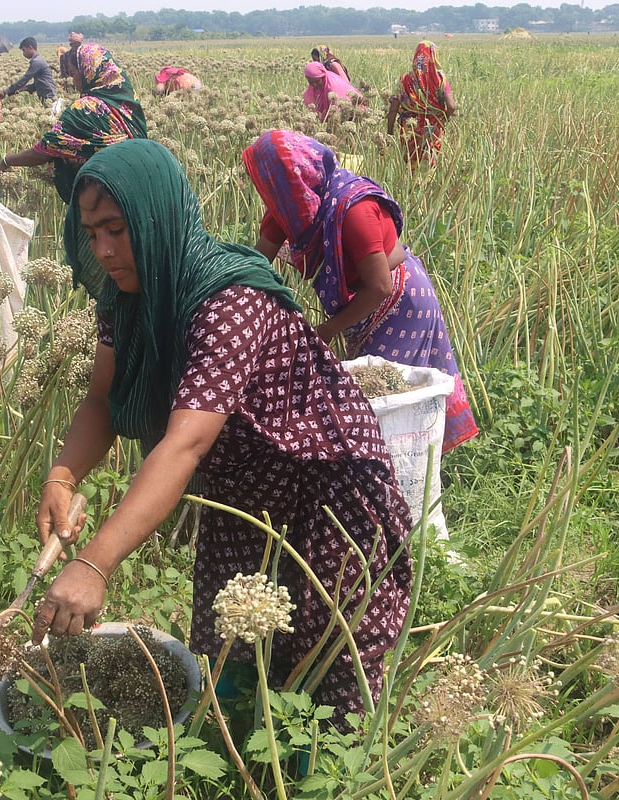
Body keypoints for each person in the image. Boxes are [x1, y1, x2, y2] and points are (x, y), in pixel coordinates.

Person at [31, 139, 413, 728]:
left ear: (157, 219)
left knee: (326, 669)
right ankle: (237, 766)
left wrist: (95, 563)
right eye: (92, 233)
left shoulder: (229, 300)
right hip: (244, 485)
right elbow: (101, 402)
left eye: (117, 230)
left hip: (323, 487)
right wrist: (61, 475)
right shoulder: (128, 298)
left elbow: (185, 442)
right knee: (236, 651)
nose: (103, 250)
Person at [242, 129, 478, 453]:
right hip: (365, 307)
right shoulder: (293, 207)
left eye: (270, 185)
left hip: (401, 306)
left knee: (384, 401)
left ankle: (402, 476)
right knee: (371, 405)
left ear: (290, 179)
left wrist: (324, 331)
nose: (267, 194)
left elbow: (380, 286)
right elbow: (257, 263)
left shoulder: (353, 209)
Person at [0, 43, 146, 202]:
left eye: (73, 73)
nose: (72, 80)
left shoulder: (85, 108)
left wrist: (7, 160)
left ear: (87, 72)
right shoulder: (128, 103)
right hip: (137, 184)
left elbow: (45, 149)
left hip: (106, 197)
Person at [387, 40, 458, 166]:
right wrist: (444, 118)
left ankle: (410, 185)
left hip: (409, 128)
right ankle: (427, 185)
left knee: (409, 166)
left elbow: (393, 108)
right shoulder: (441, 79)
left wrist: (389, 133)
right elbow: (451, 106)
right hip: (433, 127)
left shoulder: (405, 79)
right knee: (429, 163)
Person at [0, 37, 57, 105]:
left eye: (24, 50)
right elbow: (39, 83)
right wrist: (22, 89)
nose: (23, 54)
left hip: (49, 96)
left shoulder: (37, 62)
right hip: (46, 94)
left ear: (30, 47)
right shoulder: (39, 59)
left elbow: (24, 79)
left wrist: (6, 91)